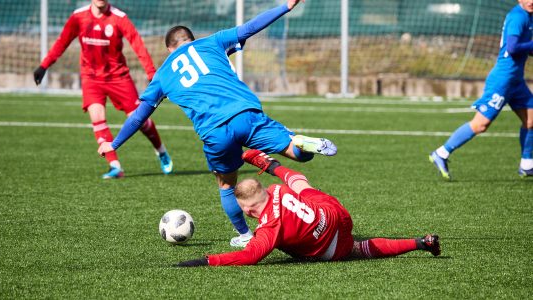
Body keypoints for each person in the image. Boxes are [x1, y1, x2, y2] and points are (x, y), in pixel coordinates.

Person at [97, 0, 337, 247]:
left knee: (226, 183)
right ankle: (299, 142)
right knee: (297, 153)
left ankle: (245, 236)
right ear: (191, 39)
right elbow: (250, 28)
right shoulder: (213, 42)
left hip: (215, 131)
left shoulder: (163, 75)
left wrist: (114, 144)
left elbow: (138, 116)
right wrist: (285, 6)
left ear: (170, 49)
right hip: (246, 112)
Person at [175, 149, 441, 267]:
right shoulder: (278, 190)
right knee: (305, 189)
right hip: (337, 213)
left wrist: (206, 260)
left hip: (331, 247)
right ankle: (423, 241)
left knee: (359, 250)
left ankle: (420, 243)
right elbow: (296, 179)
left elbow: (249, 256)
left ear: (248, 211)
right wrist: (270, 166)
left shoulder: (269, 228)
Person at [33, 0, 173, 179]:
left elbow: (137, 44)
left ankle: (160, 151)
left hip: (118, 77)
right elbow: (62, 42)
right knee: (97, 119)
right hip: (91, 78)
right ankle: (115, 166)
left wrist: (152, 74)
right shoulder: (78, 17)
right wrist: (44, 66)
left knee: (140, 120)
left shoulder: (119, 18)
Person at [429, 0, 533, 180]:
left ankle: (527, 164)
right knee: (480, 125)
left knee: (531, 120)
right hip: (502, 81)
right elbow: (513, 47)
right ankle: (441, 153)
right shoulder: (518, 17)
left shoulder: (529, 16)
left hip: (516, 81)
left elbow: (525, 49)